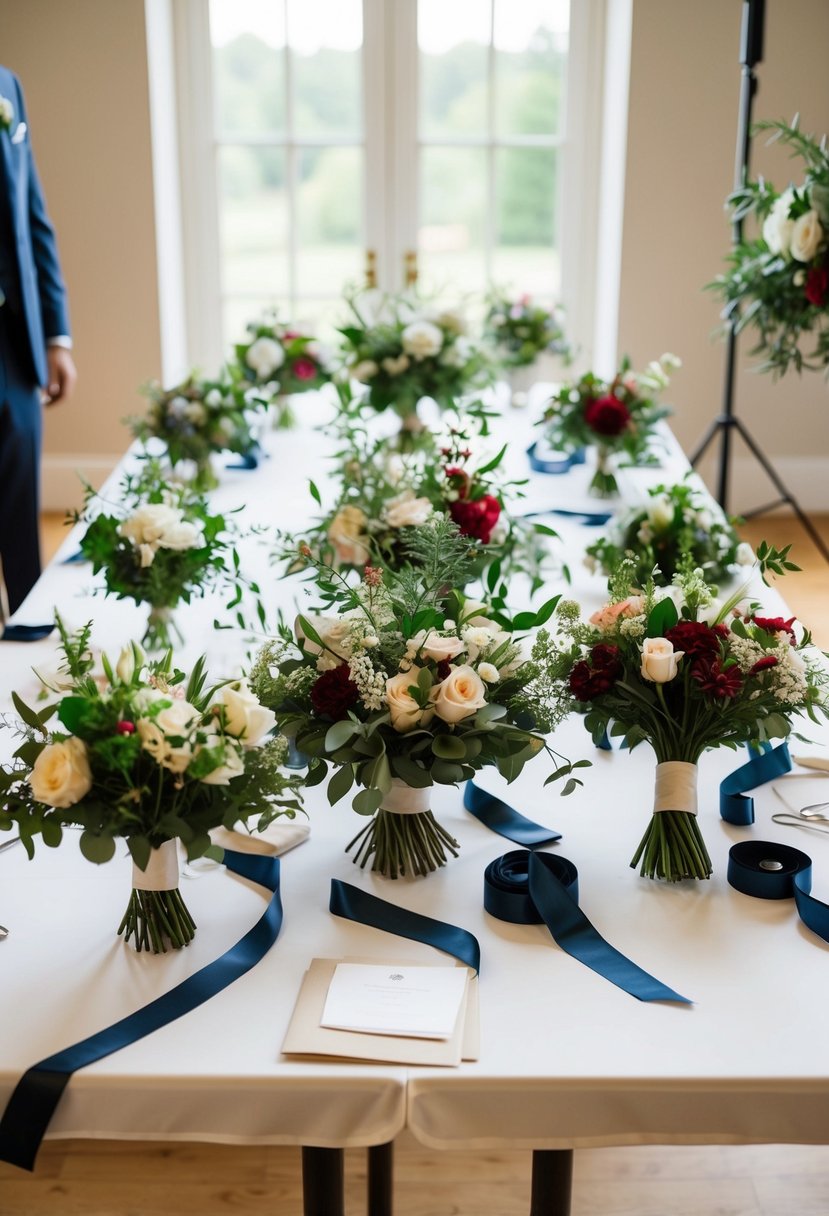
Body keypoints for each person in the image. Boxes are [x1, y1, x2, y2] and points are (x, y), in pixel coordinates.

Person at [0, 64, 76, 617]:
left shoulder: (7, 86)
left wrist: (56, 334)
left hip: (14, 340)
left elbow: (33, 218)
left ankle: (25, 631)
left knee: (19, 493)